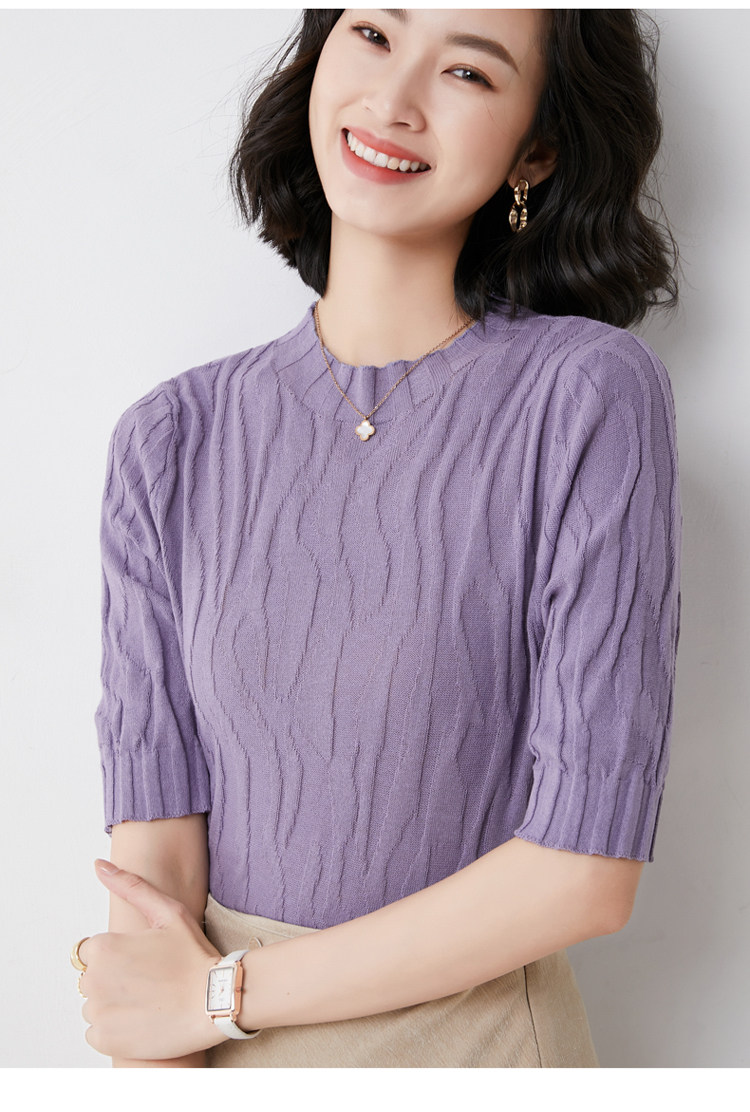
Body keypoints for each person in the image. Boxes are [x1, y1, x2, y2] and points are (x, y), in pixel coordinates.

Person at [73, 9, 681, 1068]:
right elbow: (152, 876)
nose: (394, 101)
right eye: (373, 35)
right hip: (213, 1054)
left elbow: (584, 872)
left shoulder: (584, 396)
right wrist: (165, 1046)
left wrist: (221, 993)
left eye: (469, 73)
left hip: (475, 1047)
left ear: (536, 149)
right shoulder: (170, 440)